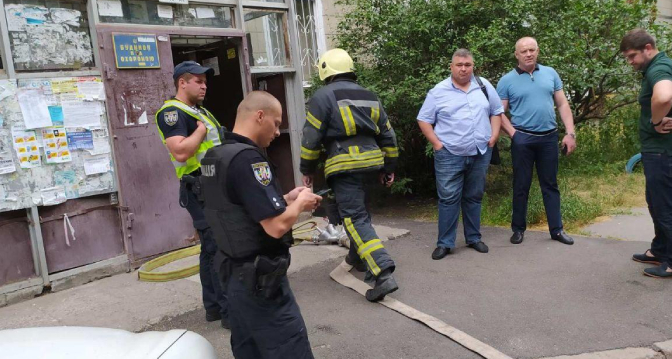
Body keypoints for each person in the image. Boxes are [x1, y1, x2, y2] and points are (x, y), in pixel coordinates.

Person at [201, 91, 322, 358]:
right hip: (261, 279)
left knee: (249, 349)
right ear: (259, 116)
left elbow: (238, 206)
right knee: (289, 348)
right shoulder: (249, 159)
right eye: (276, 123)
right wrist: (301, 204)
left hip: (232, 273)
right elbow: (276, 227)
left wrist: (286, 199)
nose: (278, 132)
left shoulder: (215, 156)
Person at [300, 48, 400, 302]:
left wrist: (307, 169)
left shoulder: (322, 96)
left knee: (355, 219)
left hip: (345, 165)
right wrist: (389, 167)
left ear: (325, 71)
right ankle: (357, 257)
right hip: (372, 164)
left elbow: (311, 138)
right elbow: (388, 135)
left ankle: (382, 272)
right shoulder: (370, 95)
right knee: (362, 215)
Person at [155, 60, 229, 327]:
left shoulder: (200, 111)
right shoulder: (172, 113)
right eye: (198, 81)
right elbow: (181, 151)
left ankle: (214, 308)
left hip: (212, 185)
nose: (204, 86)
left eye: (205, 82)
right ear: (182, 83)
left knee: (210, 249)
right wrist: (199, 130)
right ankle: (228, 312)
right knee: (218, 247)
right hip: (198, 188)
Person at [620, 28, 672, 279]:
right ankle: (660, 250)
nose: (630, 62)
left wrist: (655, 121)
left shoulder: (659, 69)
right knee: (656, 202)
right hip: (662, 150)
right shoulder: (658, 66)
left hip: (667, 151)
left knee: (666, 207)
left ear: (648, 49)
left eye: (632, 56)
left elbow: (663, 97)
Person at [417, 49, 503, 260]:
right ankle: (445, 243)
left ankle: (473, 238)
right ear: (451, 67)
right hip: (449, 154)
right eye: (459, 65)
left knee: (474, 197)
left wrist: (494, 136)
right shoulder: (438, 91)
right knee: (448, 199)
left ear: (473, 66)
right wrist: (437, 144)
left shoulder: (483, 86)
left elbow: (496, 111)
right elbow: (424, 119)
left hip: (480, 152)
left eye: (467, 65)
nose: (463, 69)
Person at [496, 37, 576, 245]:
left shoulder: (550, 73)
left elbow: (562, 104)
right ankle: (518, 229)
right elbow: (498, 112)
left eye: (532, 50)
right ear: (516, 54)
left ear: (538, 51)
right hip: (522, 139)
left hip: (549, 138)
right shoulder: (506, 80)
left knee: (550, 185)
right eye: (524, 51)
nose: (528, 54)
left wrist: (570, 133)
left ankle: (556, 230)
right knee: (521, 185)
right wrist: (514, 134)